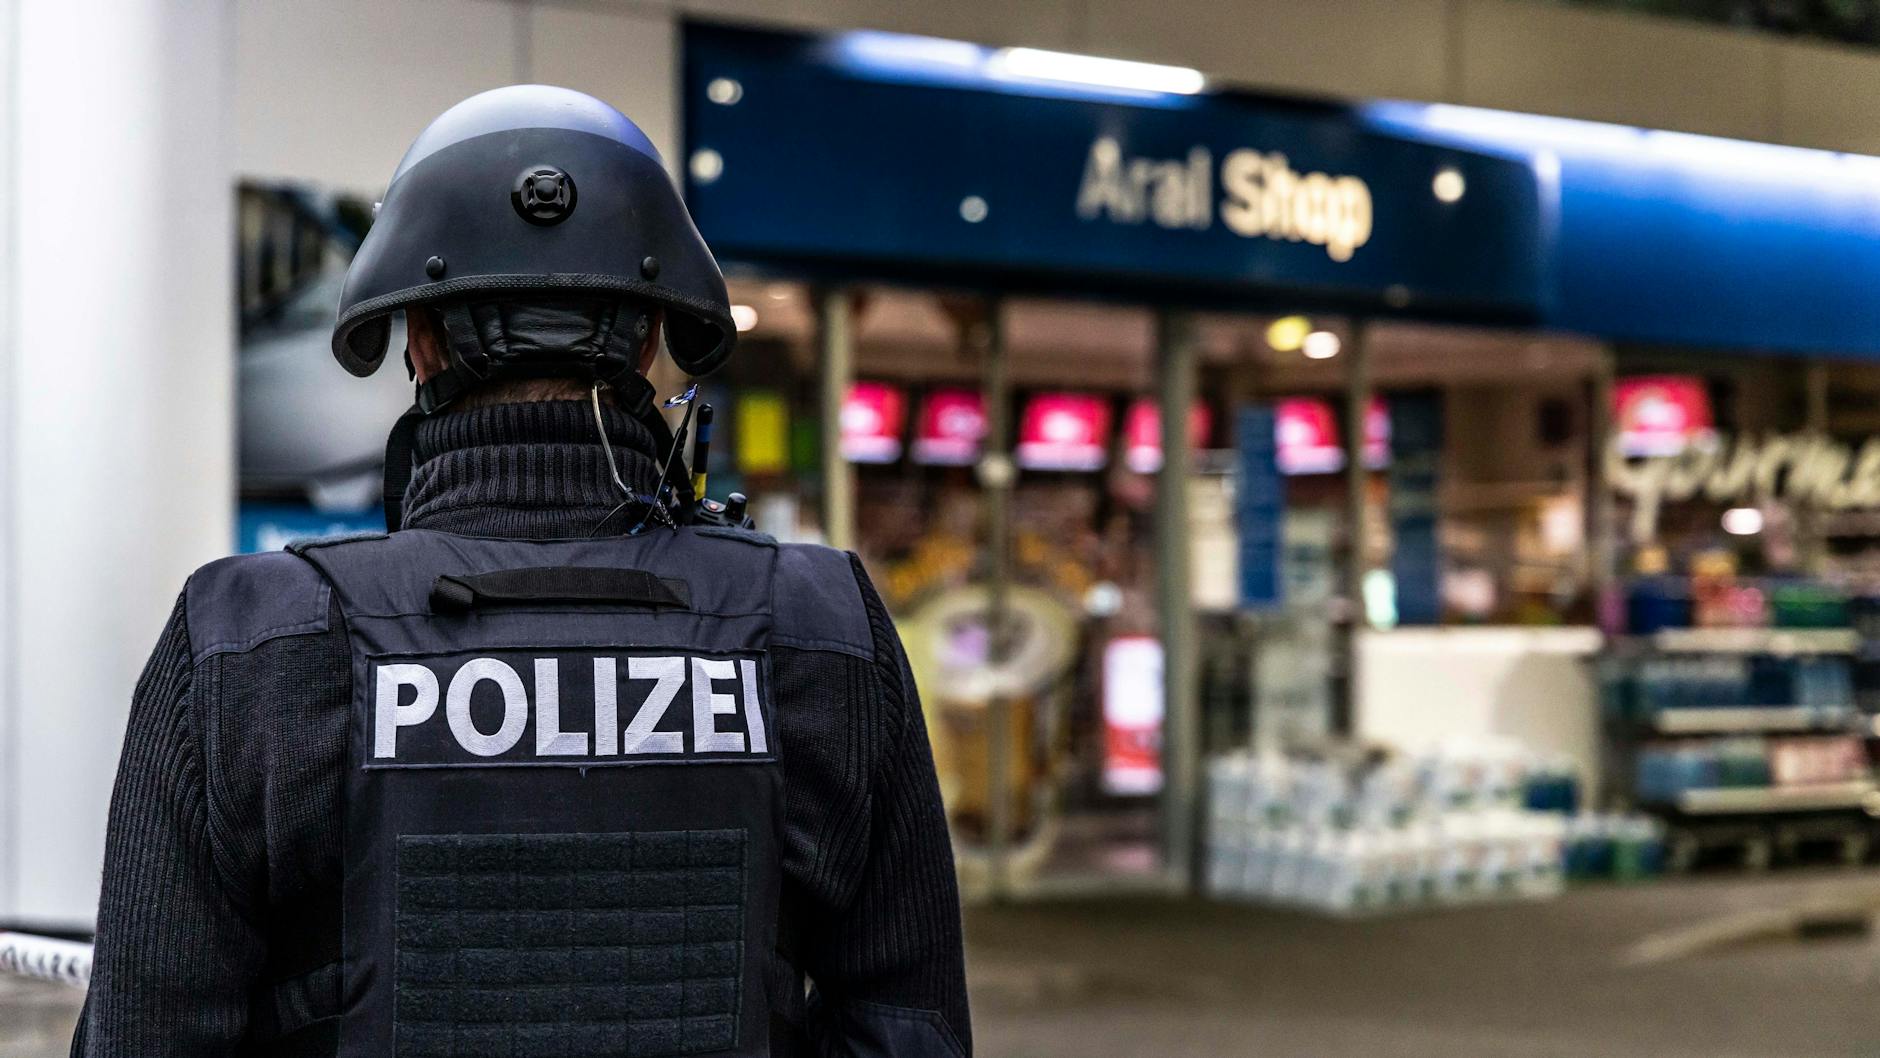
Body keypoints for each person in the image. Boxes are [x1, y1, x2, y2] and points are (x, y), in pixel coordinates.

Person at [72, 86, 970, 1058]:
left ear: (416, 340)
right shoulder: (820, 627)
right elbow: (907, 1029)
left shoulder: (248, 644)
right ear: (645, 338)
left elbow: (144, 1032)